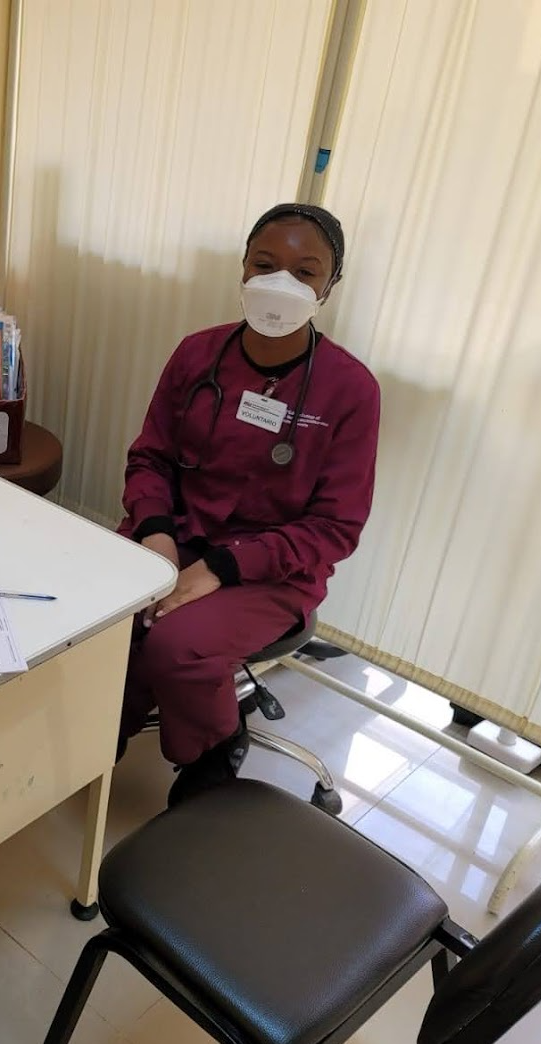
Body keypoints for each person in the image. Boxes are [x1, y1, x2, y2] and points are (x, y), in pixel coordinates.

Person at [118, 203, 380, 806]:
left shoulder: (350, 389)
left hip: (272, 571)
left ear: (329, 288)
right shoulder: (197, 355)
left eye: (304, 272)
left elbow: (336, 526)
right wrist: (155, 533)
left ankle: (212, 744)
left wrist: (222, 568)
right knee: (102, 622)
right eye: (265, 264)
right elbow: (150, 458)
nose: (281, 283)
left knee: (175, 644)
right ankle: (105, 728)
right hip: (177, 536)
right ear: (242, 270)